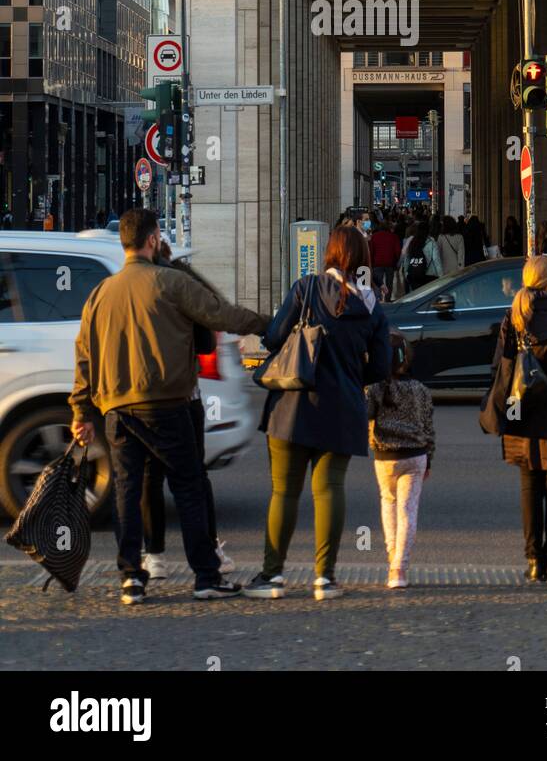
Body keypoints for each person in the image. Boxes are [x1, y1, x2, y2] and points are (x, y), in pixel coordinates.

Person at [69, 208, 267, 606]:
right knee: (190, 488)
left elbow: (84, 357)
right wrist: (268, 324)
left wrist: (81, 413)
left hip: (118, 411)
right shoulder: (171, 282)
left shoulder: (100, 295)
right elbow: (220, 315)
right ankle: (206, 577)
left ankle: (132, 579)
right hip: (168, 406)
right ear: (153, 239)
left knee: (127, 491)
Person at [245, 225, 391, 602]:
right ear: (361, 260)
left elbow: (275, 336)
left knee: (284, 492)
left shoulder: (305, 287)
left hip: (293, 406)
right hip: (342, 409)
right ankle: (324, 579)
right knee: (329, 490)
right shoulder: (372, 305)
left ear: (329, 253)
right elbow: (380, 368)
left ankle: (272, 576)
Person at [481, 255, 547, 583]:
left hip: (521, 404)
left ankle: (533, 561)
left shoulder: (515, 315)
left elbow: (501, 365)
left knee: (529, 484)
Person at [140, 240, 233, 580]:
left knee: (149, 477)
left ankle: (153, 556)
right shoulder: (181, 285)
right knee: (193, 478)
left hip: (142, 396)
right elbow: (207, 341)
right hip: (184, 394)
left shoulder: (134, 286)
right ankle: (210, 554)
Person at [367, 333, 435, 589]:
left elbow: (365, 416)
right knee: (408, 511)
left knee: (388, 502)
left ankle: (391, 555)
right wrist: (430, 458)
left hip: (385, 456)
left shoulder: (375, 388)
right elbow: (429, 428)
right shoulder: (421, 390)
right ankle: (399, 569)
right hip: (415, 455)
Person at [400, 219, 442, 292]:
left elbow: (407, 258)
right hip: (430, 276)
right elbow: (436, 260)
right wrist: (441, 276)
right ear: (428, 230)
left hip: (415, 275)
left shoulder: (412, 241)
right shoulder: (432, 243)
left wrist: (406, 273)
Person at [369, 219, 401, 300]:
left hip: (377, 263)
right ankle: (388, 299)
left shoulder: (374, 236)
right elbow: (397, 251)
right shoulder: (394, 236)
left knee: (377, 283)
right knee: (389, 283)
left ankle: (377, 299)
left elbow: (371, 250)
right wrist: (396, 262)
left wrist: (371, 262)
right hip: (390, 263)